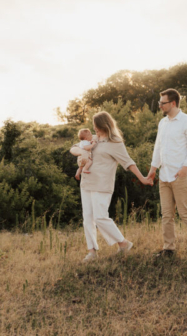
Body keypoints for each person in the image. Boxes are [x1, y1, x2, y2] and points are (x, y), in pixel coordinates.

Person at [71, 111, 153, 263]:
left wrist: (142, 178)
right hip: (86, 183)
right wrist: (80, 150)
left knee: (100, 217)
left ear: (104, 125)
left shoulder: (115, 142)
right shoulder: (93, 139)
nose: (94, 128)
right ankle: (92, 252)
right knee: (87, 219)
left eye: (96, 126)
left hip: (102, 185)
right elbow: (74, 147)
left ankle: (123, 243)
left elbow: (128, 162)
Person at [146, 88, 187, 259]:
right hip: (164, 175)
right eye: (160, 103)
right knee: (166, 215)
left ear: (172, 103)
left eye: (162, 103)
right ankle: (168, 249)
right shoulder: (163, 123)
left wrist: (185, 168)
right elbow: (158, 147)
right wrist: (153, 169)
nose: (160, 106)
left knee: (185, 213)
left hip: (182, 175)